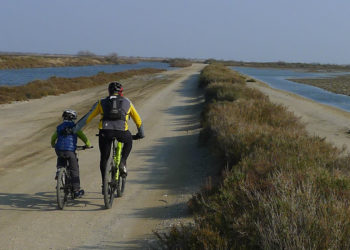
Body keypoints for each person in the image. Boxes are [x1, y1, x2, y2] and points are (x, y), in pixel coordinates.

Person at [74, 81, 144, 193]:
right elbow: (138, 120)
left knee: (104, 158)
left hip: (105, 133)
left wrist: (74, 130)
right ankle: (122, 162)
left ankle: (104, 185)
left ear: (109, 91)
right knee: (129, 140)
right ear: (120, 92)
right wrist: (141, 133)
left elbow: (88, 118)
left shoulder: (101, 102)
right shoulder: (127, 102)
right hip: (122, 132)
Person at [51, 109, 91, 198]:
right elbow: (84, 138)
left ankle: (59, 170)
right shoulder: (75, 127)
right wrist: (88, 145)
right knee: (74, 170)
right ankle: (76, 190)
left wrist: (53, 144)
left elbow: (53, 138)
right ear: (74, 118)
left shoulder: (59, 127)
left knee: (61, 157)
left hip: (59, 149)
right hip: (70, 151)